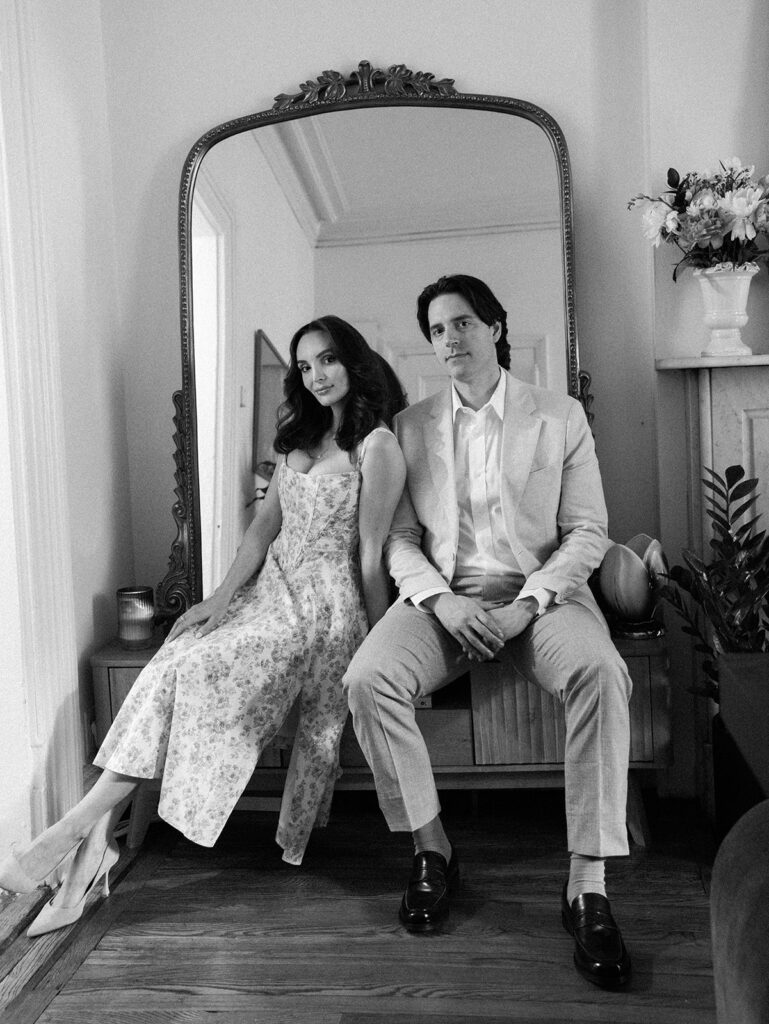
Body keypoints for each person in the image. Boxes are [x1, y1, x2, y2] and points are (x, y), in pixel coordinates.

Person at [0, 315, 407, 937]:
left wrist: (382, 646)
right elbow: (259, 533)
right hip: (267, 593)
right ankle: (85, 852)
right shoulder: (299, 438)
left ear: (352, 360)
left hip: (324, 612)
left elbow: (372, 554)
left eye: (327, 359)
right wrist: (218, 600)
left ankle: (69, 836)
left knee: (194, 668)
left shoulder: (376, 446)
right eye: (305, 366)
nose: (317, 375)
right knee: (174, 656)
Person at [343, 275, 633, 989]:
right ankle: (430, 850)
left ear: (497, 328)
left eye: (464, 323)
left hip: (540, 595)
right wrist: (440, 602)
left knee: (601, 672)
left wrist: (525, 603)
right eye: (438, 329)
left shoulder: (557, 415)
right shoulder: (410, 426)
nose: (450, 339)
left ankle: (587, 884)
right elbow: (400, 539)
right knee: (366, 678)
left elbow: (588, 530)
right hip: (443, 601)